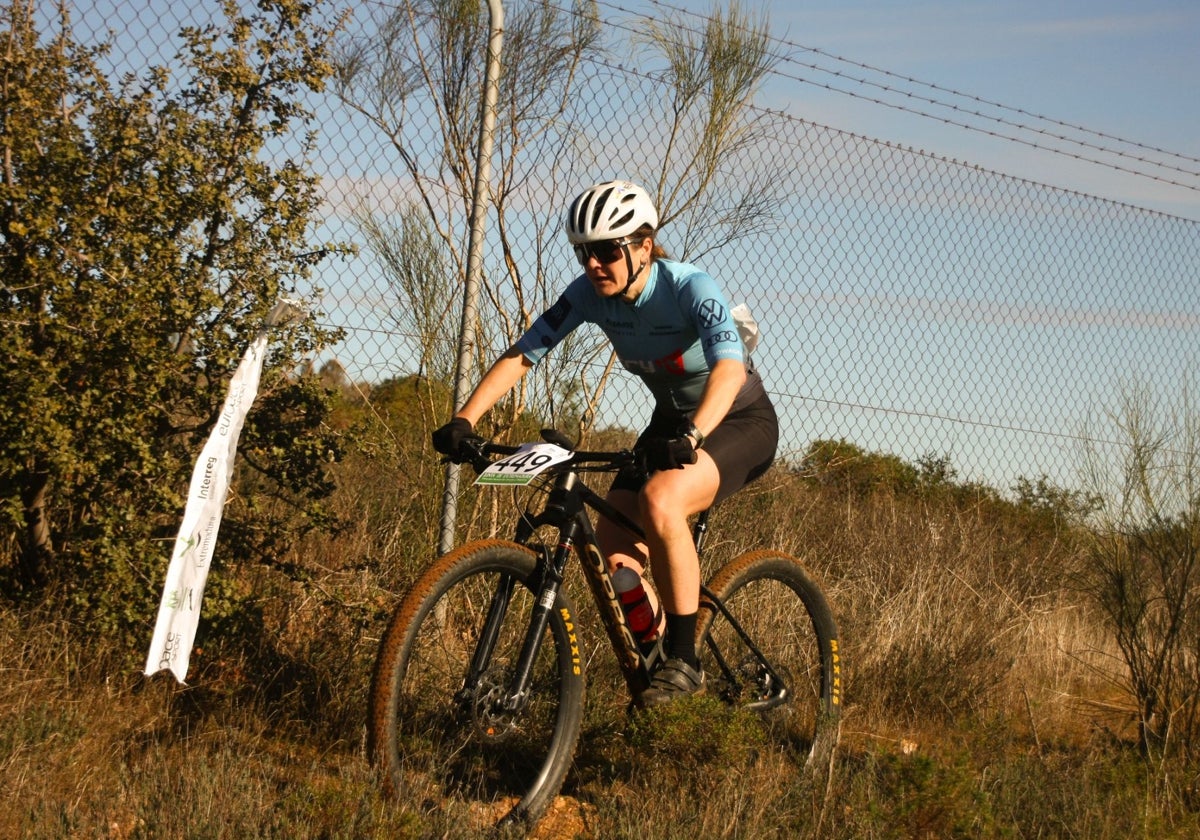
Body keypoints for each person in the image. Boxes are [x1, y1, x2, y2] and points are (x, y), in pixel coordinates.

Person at [432, 179, 778, 705]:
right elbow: (525, 353)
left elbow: (729, 369)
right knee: (618, 564)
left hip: (738, 418)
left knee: (661, 499)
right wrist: (464, 419)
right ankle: (661, 670)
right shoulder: (588, 296)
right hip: (671, 424)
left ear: (643, 245)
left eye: (606, 251)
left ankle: (686, 661)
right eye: (583, 252)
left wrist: (693, 433)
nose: (593, 264)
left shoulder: (690, 287)